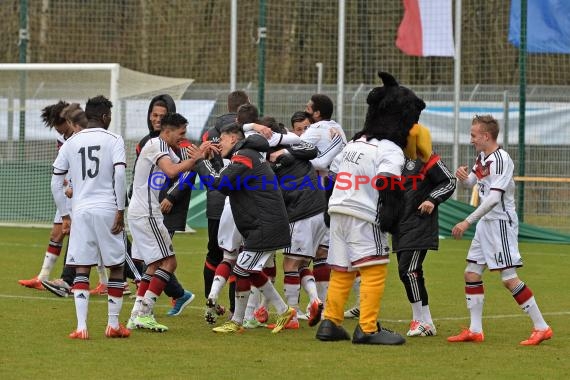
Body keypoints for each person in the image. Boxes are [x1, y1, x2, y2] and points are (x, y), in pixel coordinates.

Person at [315, 71, 425, 345]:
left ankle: (331, 322)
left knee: (342, 269)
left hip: (338, 209)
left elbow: (334, 173)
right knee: (374, 269)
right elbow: (387, 181)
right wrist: (392, 216)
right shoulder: (389, 149)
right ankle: (368, 328)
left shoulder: (355, 143)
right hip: (365, 213)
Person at [448, 115, 553, 346]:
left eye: (474, 135)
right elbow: (472, 183)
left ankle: (542, 327)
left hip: (500, 224)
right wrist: (463, 178)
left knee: (509, 278)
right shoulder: (482, 157)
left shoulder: (501, 159)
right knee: (471, 274)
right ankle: (475, 330)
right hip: (486, 224)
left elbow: (494, 198)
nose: (471, 139)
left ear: (486, 136)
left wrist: (466, 221)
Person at [195, 123, 296, 334]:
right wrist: (211, 160)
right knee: (249, 269)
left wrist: (199, 162)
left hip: (264, 226)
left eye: (220, 139)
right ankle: (283, 310)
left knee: (241, 269)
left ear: (233, 138)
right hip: (262, 225)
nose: (218, 143)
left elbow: (222, 183)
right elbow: (229, 179)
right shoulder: (248, 155)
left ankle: (237, 321)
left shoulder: (244, 155)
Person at [51, 95, 130, 339]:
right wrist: (120, 210)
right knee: (116, 266)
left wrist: (65, 214)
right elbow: (119, 176)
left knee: (81, 266)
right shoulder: (114, 139)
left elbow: (56, 180)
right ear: (105, 116)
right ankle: (113, 325)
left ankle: (82, 327)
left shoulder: (71, 142)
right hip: (107, 208)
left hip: (81, 210)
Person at [127, 112, 201, 332]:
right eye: (181, 133)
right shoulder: (156, 145)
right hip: (147, 212)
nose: (183, 137)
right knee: (169, 263)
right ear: (168, 131)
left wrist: (202, 154)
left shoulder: (165, 147)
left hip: (141, 212)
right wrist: (197, 158)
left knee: (153, 264)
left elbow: (183, 168)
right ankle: (146, 312)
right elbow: (171, 170)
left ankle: (135, 315)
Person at [392, 124, 456, 337]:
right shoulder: (399, 161)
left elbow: (449, 182)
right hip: (401, 226)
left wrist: (431, 199)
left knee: (408, 270)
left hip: (420, 224)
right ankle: (425, 322)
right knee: (410, 273)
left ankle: (421, 321)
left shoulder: (429, 159)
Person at [200, 90, 250, 320]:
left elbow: (204, 162)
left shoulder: (210, 131)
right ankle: (237, 309)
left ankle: (210, 303)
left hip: (215, 200)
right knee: (239, 256)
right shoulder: (249, 131)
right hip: (241, 201)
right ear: (245, 107)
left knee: (214, 255)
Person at [18, 101, 71, 290]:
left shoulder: (83, 134)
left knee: (88, 238)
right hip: (68, 191)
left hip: (81, 192)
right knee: (57, 234)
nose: (59, 131)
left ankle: (114, 282)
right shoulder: (62, 134)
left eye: (61, 126)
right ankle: (42, 277)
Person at [301, 94, 347, 303]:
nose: (305, 109)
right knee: (329, 247)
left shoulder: (315, 129)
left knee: (312, 250)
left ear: (317, 113)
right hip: (341, 188)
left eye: (309, 107)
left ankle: (320, 302)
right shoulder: (338, 128)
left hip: (325, 186)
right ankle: (328, 301)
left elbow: (300, 152)